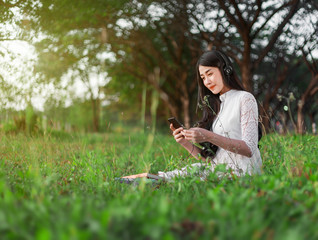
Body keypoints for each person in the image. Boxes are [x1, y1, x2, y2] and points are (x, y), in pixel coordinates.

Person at [120, 50, 262, 182]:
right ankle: (129, 182)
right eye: (203, 77)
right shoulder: (216, 106)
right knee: (170, 176)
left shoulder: (244, 98)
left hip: (242, 174)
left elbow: (249, 148)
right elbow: (210, 161)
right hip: (217, 170)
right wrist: (185, 142)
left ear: (226, 70)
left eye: (210, 74)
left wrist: (208, 136)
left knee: (182, 180)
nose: (207, 82)